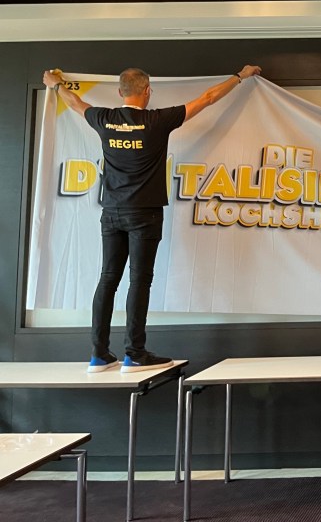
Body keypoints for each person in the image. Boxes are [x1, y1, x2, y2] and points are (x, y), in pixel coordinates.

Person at [42, 65, 262, 372]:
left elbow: (75, 103)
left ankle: (99, 355)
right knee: (139, 280)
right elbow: (208, 98)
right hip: (144, 214)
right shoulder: (158, 120)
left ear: (120, 92)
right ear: (147, 91)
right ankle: (134, 353)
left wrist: (55, 84)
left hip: (111, 213)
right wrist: (240, 77)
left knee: (108, 278)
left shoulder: (103, 118)